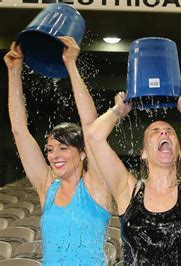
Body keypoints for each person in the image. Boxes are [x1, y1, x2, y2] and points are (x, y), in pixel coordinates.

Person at [5, 37, 112, 265]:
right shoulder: (47, 187)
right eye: (51, 149)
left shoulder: (96, 186)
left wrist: (71, 65)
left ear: (83, 152)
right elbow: (19, 131)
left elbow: (90, 124)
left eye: (63, 148)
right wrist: (14, 73)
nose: (55, 155)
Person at [85, 84, 181, 265]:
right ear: (144, 153)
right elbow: (93, 137)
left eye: (170, 131)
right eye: (155, 131)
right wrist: (118, 111)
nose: (164, 132)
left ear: (178, 151)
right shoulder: (127, 190)